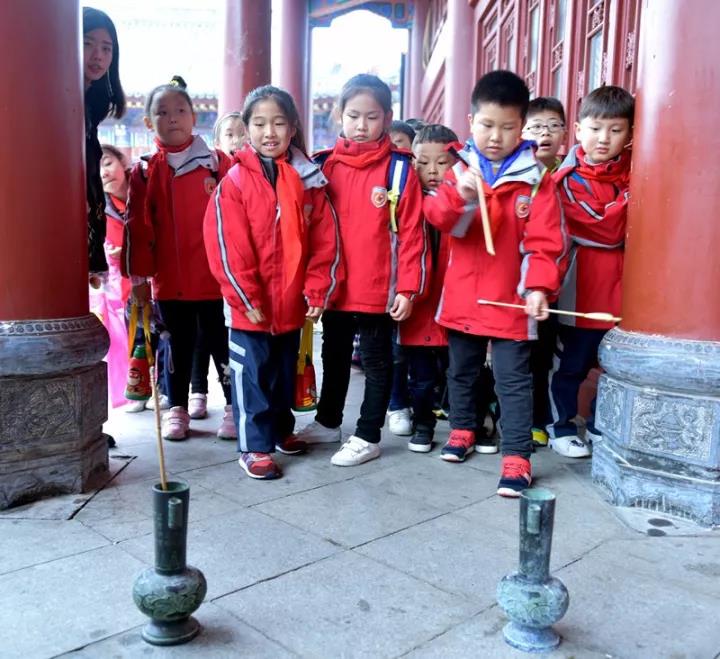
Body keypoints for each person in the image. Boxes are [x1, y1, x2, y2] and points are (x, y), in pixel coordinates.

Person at [424, 70, 565, 497]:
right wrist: (461, 196)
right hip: (465, 293)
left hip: (511, 300)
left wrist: (538, 288)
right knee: (461, 370)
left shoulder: (536, 180)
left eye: (507, 127)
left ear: (522, 127)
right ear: (471, 121)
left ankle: (517, 455)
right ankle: (463, 428)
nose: (495, 137)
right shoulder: (460, 170)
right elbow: (440, 219)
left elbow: (545, 243)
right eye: (487, 125)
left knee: (513, 381)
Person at [204, 85, 340, 479]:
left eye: (279, 123)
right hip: (250, 305)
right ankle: (254, 445)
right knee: (251, 375)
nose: (269, 132)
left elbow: (325, 241)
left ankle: (281, 430)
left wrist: (317, 288)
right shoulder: (234, 183)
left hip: (290, 302)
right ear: (247, 128)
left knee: (282, 371)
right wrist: (245, 296)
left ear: (293, 127)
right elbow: (228, 245)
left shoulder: (309, 180)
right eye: (260, 123)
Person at [297, 74, 427, 467]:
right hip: (335, 284)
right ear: (339, 114)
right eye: (354, 116)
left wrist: (407, 288)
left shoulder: (399, 170)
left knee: (376, 361)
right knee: (333, 354)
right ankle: (328, 421)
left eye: (372, 117)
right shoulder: (322, 165)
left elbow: (412, 234)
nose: (362, 125)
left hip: (378, 286)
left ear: (387, 117)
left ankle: (368, 434)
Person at [122, 76, 235, 442]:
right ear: (148, 121)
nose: (173, 118)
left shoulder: (218, 164)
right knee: (177, 347)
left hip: (216, 280)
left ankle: (233, 407)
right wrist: (139, 280)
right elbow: (137, 228)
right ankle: (177, 408)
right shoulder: (143, 171)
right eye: (162, 112)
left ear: (194, 117)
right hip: (169, 281)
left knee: (222, 344)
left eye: (181, 110)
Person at [549, 86, 633, 458]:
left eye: (615, 130)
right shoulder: (568, 180)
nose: (604, 138)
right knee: (572, 365)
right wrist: (629, 201)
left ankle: (600, 424)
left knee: (615, 367)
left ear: (629, 133)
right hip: (580, 293)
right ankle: (562, 426)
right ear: (579, 129)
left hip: (625, 290)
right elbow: (606, 230)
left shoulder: (637, 171)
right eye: (596, 128)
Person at [395, 123, 458, 452]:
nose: (432, 170)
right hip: (418, 308)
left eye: (442, 162)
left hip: (455, 306)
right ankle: (423, 425)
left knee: (460, 373)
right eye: (422, 162)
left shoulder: (465, 204)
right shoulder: (405, 202)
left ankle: (468, 425)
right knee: (420, 377)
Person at [521, 97, 568, 448]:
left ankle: (538, 417)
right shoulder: (518, 175)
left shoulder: (569, 176)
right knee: (511, 355)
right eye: (536, 126)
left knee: (542, 354)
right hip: (517, 281)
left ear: (566, 132)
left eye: (553, 126)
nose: (545, 133)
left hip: (554, 284)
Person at [83, 7, 125, 279]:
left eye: (106, 48)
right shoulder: (61, 97)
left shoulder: (90, 106)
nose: (98, 55)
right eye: (87, 43)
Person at [90, 145, 131, 410]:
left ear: (122, 162)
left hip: (149, 276)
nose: (104, 173)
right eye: (98, 169)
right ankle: (131, 388)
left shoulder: (144, 192)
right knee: (120, 337)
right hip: (116, 284)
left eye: (108, 163)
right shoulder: (98, 207)